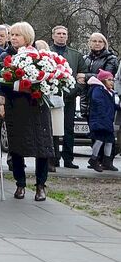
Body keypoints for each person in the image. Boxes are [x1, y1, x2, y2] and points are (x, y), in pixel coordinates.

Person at [0, 22, 53, 201]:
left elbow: (50, 80)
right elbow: (0, 81)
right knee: (17, 146)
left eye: (17, 35)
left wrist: (38, 86)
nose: (13, 38)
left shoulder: (40, 56)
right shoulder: (6, 56)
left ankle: (40, 185)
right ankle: (20, 184)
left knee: (41, 146)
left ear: (27, 37)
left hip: (37, 106)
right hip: (16, 106)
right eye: (11, 35)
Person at [51, 25, 87, 168]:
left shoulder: (75, 55)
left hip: (70, 98)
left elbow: (83, 75)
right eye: (58, 33)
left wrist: (75, 90)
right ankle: (53, 158)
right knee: (53, 127)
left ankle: (68, 158)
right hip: (51, 96)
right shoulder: (47, 52)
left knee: (68, 129)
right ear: (53, 35)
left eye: (64, 34)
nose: (61, 36)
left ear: (67, 36)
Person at [81, 32, 118, 121]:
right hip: (86, 98)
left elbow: (106, 77)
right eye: (94, 41)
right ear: (89, 43)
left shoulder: (110, 58)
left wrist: (85, 76)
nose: (97, 43)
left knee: (102, 129)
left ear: (104, 44)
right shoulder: (85, 58)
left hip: (103, 98)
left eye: (100, 41)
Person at [87, 70, 119, 171]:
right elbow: (97, 102)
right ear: (103, 80)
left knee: (109, 141)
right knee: (100, 139)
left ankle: (107, 161)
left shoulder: (111, 93)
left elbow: (115, 105)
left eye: (113, 80)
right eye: (109, 80)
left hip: (107, 121)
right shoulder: (98, 89)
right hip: (100, 120)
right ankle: (93, 159)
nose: (112, 82)